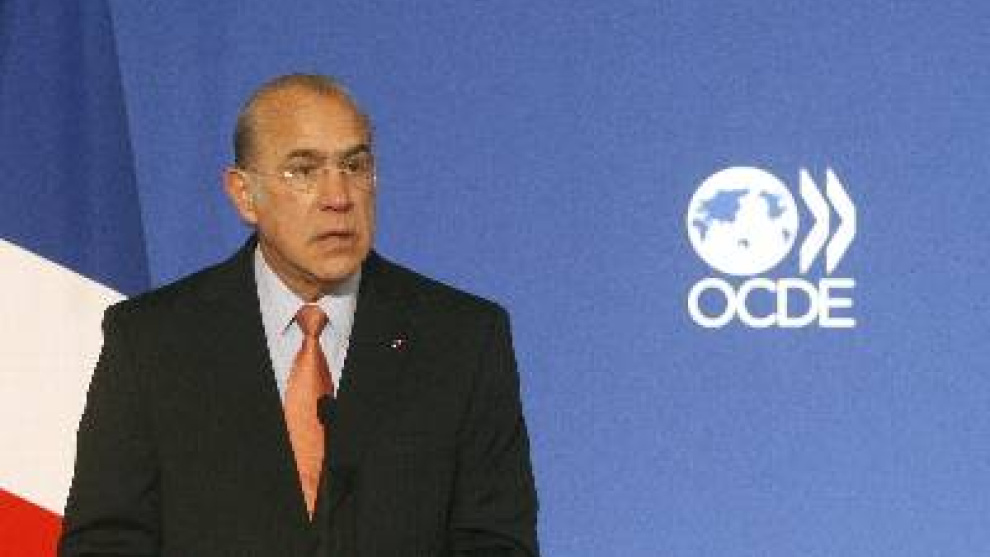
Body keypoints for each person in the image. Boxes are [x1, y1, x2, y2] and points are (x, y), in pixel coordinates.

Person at [58, 74, 539, 557]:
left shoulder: (462, 340)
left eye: (354, 165)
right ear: (244, 194)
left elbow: (496, 544)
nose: (339, 197)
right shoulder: (152, 341)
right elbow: (105, 542)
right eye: (304, 170)